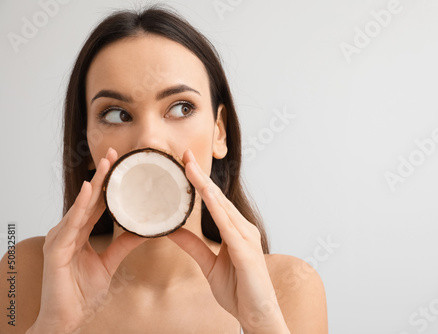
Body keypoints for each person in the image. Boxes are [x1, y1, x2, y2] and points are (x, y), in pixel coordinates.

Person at [0, 5, 327, 333]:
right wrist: (52, 325)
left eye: (181, 108)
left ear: (219, 132)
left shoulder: (289, 286)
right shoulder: (22, 270)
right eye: (116, 114)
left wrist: (262, 320)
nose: (150, 140)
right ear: (85, 145)